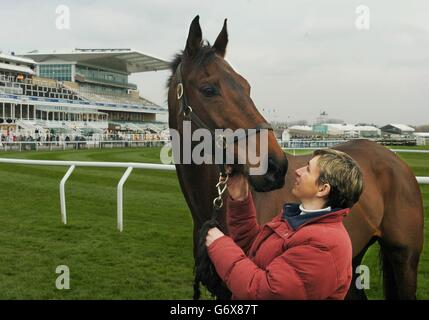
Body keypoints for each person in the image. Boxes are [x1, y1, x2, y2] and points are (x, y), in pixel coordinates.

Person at [206, 149, 364, 300]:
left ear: (322, 189)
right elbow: (254, 252)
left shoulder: (324, 245)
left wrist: (220, 245)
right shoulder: (297, 218)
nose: (298, 171)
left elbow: (266, 293)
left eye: (308, 169)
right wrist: (240, 199)